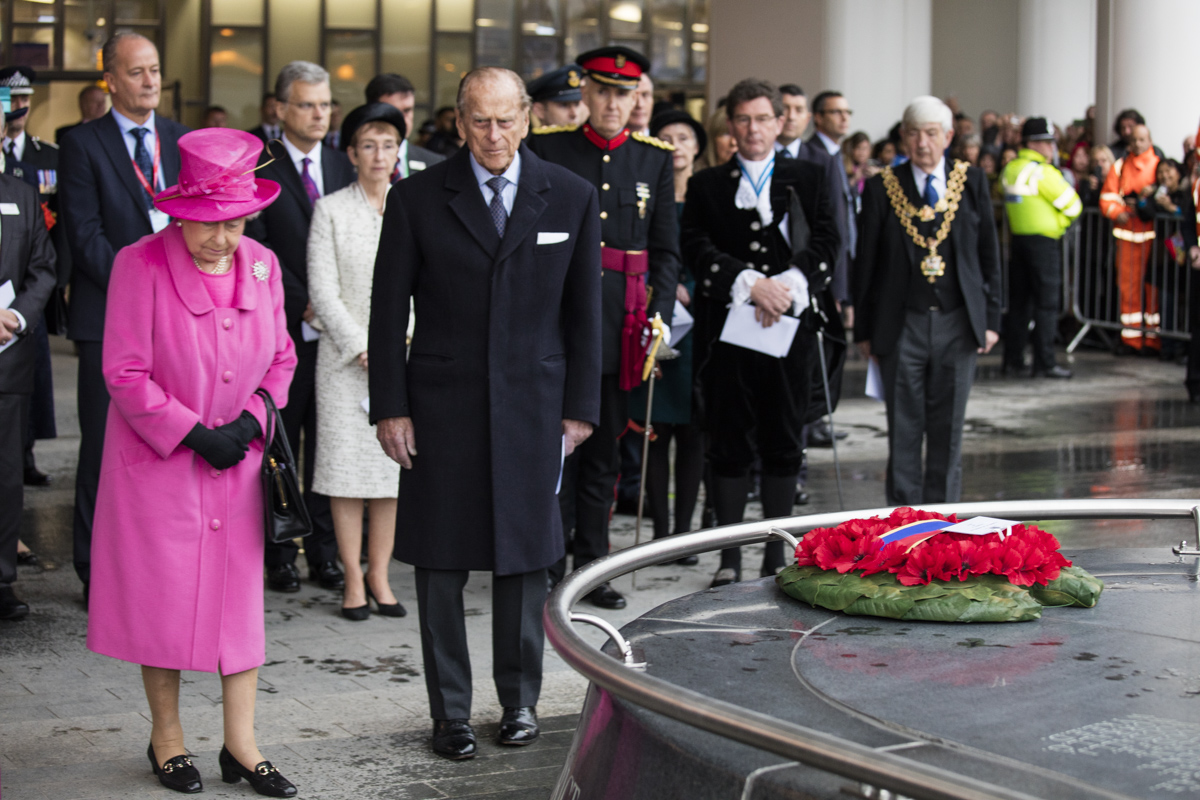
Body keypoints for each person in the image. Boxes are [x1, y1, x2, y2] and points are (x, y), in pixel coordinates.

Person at [369, 66, 601, 761]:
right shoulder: (415, 198)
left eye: (506, 120)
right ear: (459, 120)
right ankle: (451, 713)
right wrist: (391, 408)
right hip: (441, 407)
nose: (494, 135)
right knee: (439, 564)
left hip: (535, 408)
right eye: (480, 120)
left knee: (524, 561)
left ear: (529, 118)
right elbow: (388, 315)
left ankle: (521, 701)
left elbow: (583, 314)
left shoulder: (570, 195)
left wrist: (580, 409)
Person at [87, 127, 298, 797]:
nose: (223, 238)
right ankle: (168, 740)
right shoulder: (137, 263)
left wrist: (252, 419)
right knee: (164, 605)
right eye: (208, 223)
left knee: (240, 610)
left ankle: (242, 745)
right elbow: (122, 371)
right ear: (179, 213)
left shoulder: (262, 264)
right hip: (161, 467)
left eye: (235, 222)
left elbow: (283, 357)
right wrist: (191, 431)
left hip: (238, 462)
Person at [528, 46, 681, 609]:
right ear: (585, 94)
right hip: (557, 321)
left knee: (605, 452)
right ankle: (547, 559)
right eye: (603, 92)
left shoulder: (653, 158)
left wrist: (656, 315)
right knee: (554, 447)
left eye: (625, 94)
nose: (613, 103)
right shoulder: (546, 148)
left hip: (621, 328)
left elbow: (665, 250)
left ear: (637, 98)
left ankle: (592, 566)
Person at [683, 78, 839, 586]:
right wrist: (750, 283)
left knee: (783, 439)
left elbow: (827, 240)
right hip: (727, 335)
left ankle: (777, 556)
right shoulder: (707, 184)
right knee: (728, 442)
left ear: (780, 122)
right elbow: (695, 246)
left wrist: (786, 286)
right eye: (743, 119)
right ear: (729, 125)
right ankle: (729, 558)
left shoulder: (811, 176)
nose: (753, 129)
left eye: (763, 118)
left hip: (789, 330)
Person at [59, 32, 190, 605]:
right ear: (109, 79)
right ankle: (94, 569)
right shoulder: (82, 143)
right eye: (136, 73)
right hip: (109, 316)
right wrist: (145, 287)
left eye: (155, 70)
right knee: (103, 448)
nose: (150, 81)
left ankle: (158, 563)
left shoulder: (180, 141)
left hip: (181, 320)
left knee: (168, 444)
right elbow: (84, 235)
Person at [853, 95, 1001, 506]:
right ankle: (903, 524)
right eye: (913, 133)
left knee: (948, 431)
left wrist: (991, 319)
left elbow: (989, 255)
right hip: (902, 323)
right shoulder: (883, 187)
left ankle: (944, 524)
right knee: (903, 429)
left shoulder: (970, 181)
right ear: (902, 136)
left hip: (958, 321)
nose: (922, 143)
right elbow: (866, 261)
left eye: (931, 134)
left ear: (949, 136)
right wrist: (863, 329)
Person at [245, 61, 356, 593]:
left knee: (327, 446)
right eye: (308, 104)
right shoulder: (259, 166)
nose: (320, 114)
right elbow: (258, 244)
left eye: (326, 104)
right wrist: (305, 301)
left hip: (333, 336)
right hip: (282, 329)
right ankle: (278, 554)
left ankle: (324, 553)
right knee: (280, 447)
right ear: (280, 109)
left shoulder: (342, 164)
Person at [307, 103, 406, 620]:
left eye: (388, 144)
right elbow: (322, 290)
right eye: (368, 144)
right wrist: (363, 345)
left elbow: (427, 286)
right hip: (345, 363)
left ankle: (380, 575)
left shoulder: (412, 203)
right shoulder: (330, 210)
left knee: (390, 472)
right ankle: (351, 577)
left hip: (401, 357)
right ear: (350, 153)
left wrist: (398, 345)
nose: (379, 154)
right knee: (345, 475)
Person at [630, 109, 706, 563]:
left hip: (699, 323)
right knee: (654, 428)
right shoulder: (646, 198)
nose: (675, 145)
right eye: (665, 137)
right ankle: (660, 533)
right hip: (656, 319)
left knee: (694, 433)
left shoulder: (707, 194)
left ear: (698, 145)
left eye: (684, 137)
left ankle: (686, 535)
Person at [0, 124, 57, 621]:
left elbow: (43, 267)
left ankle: (1, 580)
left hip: (8, 354)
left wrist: (16, 316)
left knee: (5, 476)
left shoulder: (20, 193)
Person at [0, 67, 67, 490]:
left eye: (23, 99)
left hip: (22, 304)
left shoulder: (47, 155)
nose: (18, 108)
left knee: (28, 392)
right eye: (12, 100)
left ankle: (24, 458)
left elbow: (55, 235)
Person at [1001, 117, 1082, 379]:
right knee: (1046, 305)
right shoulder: (1043, 172)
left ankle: (1012, 360)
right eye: (1049, 142)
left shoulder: (1011, 168)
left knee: (1019, 304)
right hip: (1045, 243)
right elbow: (1074, 206)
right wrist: (1058, 222)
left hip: (1019, 241)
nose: (1052, 148)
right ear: (1035, 144)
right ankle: (1044, 362)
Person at [1099, 123, 1161, 353]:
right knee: (1128, 288)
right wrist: (1118, 212)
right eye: (1134, 140)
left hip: (1153, 237)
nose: (1137, 144)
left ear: (1150, 140)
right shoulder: (1121, 165)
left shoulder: (1158, 166)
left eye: (1142, 139)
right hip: (1127, 237)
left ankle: (1153, 339)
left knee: (1152, 289)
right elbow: (1107, 197)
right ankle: (1131, 339)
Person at [364, 73, 446, 179]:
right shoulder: (350, 164)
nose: (402, 119)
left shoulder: (435, 163)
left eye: (407, 111)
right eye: (393, 112)